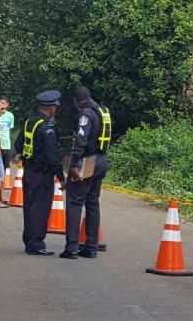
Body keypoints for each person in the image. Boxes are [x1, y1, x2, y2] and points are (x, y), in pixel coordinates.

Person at [61, 86, 111, 259]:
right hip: (102, 159)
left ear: (76, 100)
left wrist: (74, 164)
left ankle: (72, 248)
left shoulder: (85, 114)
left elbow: (81, 140)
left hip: (88, 161)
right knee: (92, 203)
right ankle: (91, 247)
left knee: (74, 203)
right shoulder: (102, 110)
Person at [14, 90, 66, 256]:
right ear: (52, 108)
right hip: (43, 173)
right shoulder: (47, 127)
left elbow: (18, 144)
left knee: (29, 207)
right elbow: (53, 156)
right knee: (40, 209)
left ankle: (29, 240)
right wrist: (61, 177)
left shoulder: (30, 122)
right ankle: (36, 243)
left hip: (29, 171)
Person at [0, 96, 14, 204]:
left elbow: (9, 130)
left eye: (4, 103)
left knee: (3, 172)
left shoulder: (10, 116)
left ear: (7, 104)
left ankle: (2, 196)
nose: (2, 106)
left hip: (6, 145)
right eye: (0, 104)